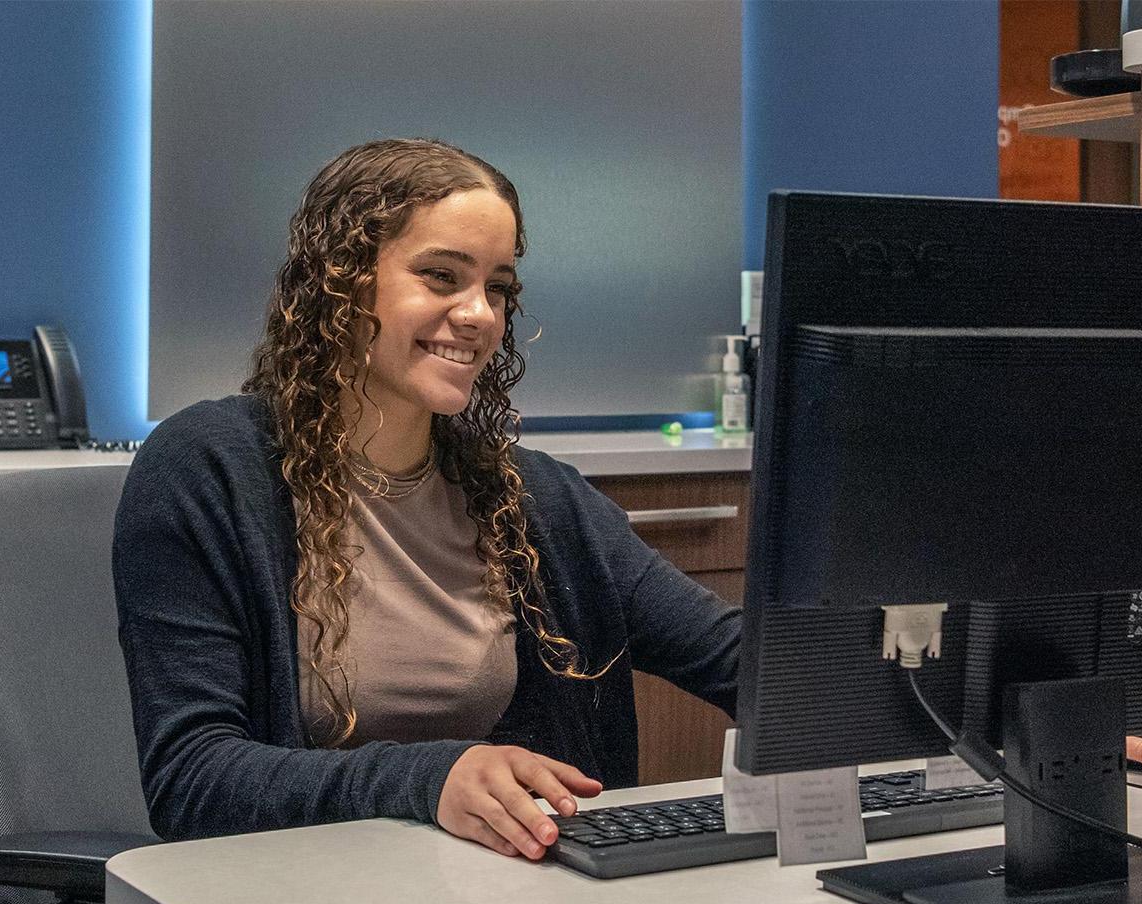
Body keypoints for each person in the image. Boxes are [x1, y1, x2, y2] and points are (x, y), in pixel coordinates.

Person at [113, 138, 738, 862]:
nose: (479, 314)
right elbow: (192, 780)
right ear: (341, 284)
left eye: (498, 287)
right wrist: (426, 775)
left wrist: (885, 663)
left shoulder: (535, 500)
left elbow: (731, 656)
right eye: (441, 276)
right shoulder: (209, 469)